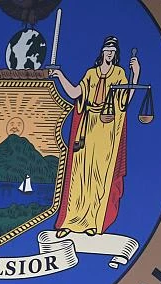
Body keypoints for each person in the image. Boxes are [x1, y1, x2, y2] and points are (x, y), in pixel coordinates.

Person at [50, 36, 140, 237]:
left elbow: (124, 101)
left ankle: (93, 221)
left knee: (99, 176)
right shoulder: (91, 73)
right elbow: (75, 93)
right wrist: (60, 75)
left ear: (115, 54)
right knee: (79, 175)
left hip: (106, 129)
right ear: (102, 51)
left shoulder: (119, 74)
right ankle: (70, 222)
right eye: (107, 49)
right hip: (87, 127)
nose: (109, 53)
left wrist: (135, 76)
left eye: (112, 50)